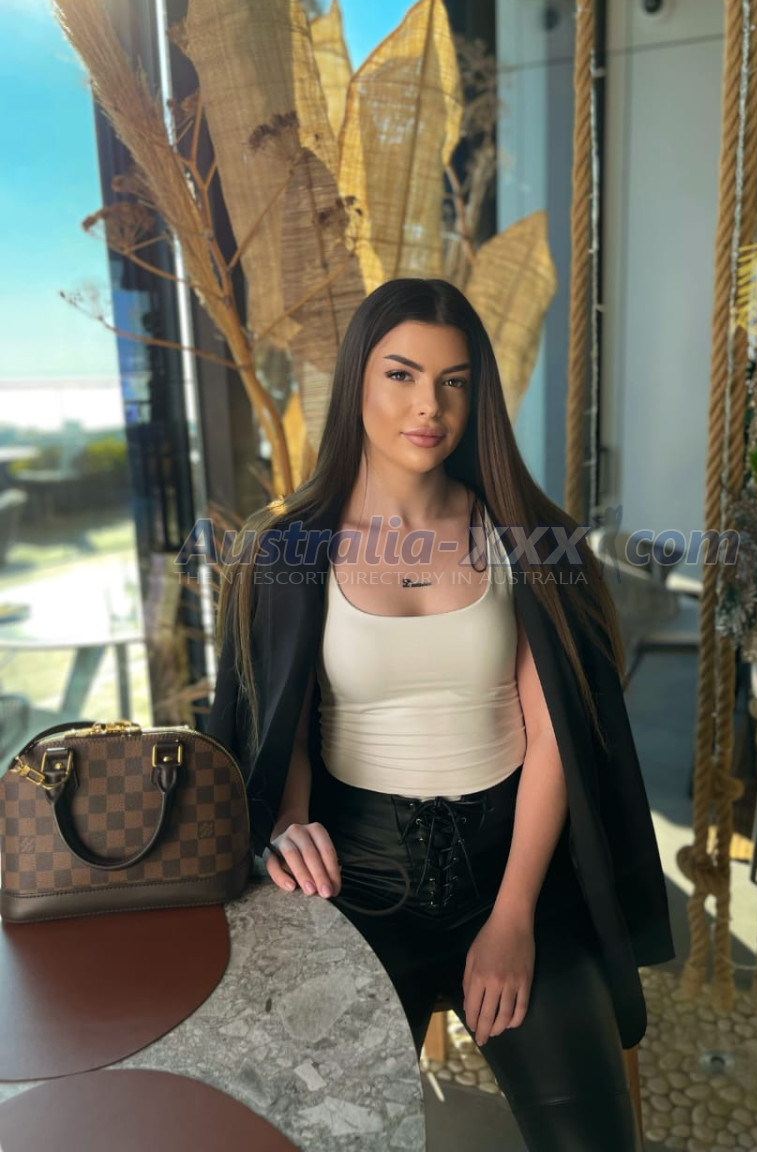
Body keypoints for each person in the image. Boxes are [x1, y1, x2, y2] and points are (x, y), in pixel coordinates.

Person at [209, 277, 674, 1151]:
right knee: (311, 1133)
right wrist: (290, 821)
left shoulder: (530, 540)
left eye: (454, 381)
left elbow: (554, 739)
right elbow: (282, 723)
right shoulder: (287, 548)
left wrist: (514, 917)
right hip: (354, 885)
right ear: (357, 383)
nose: (429, 405)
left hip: (516, 874)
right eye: (402, 375)